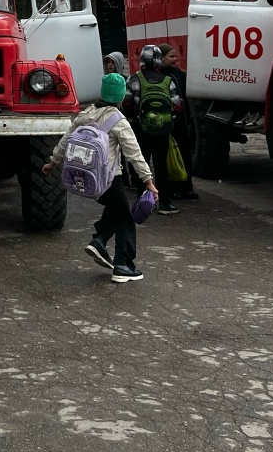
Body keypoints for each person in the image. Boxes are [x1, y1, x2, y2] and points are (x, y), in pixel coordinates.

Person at [42, 72, 158, 283]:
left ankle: (99, 241)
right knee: (125, 218)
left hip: (86, 179)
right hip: (108, 179)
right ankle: (123, 265)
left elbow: (66, 139)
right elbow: (134, 153)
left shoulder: (87, 113)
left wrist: (53, 162)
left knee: (117, 210)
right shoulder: (118, 120)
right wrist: (148, 181)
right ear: (121, 97)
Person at [126, 44, 183, 215]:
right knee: (161, 166)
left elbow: (127, 103)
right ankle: (165, 203)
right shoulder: (168, 80)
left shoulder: (134, 79)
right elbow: (177, 105)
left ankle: (143, 201)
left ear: (142, 60)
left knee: (141, 164)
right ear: (158, 60)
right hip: (163, 130)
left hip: (141, 129)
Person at [159, 43, 198, 201]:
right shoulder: (159, 76)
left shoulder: (178, 74)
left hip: (182, 124)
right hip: (167, 125)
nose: (175, 59)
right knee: (169, 157)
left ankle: (187, 188)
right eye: (171, 56)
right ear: (161, 58)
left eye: (175, 56)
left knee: (185, 156)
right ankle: (173, 189)